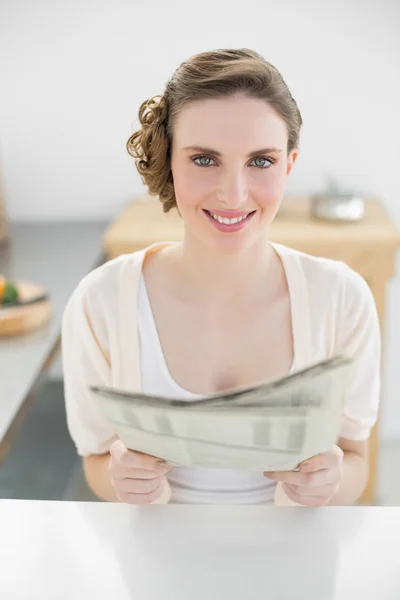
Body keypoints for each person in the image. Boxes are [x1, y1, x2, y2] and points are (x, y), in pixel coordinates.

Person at [62, 48, 381, 507]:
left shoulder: (342, 299)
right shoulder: (102, 302)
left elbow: (355, 460)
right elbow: (96, 461)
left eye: (261, 161)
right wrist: (120, 479)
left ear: (289, 165)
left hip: (293, 568)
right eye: (205, 160)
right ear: (168, 159)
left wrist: (330, 483)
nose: (233, 194)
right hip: (157, 568)